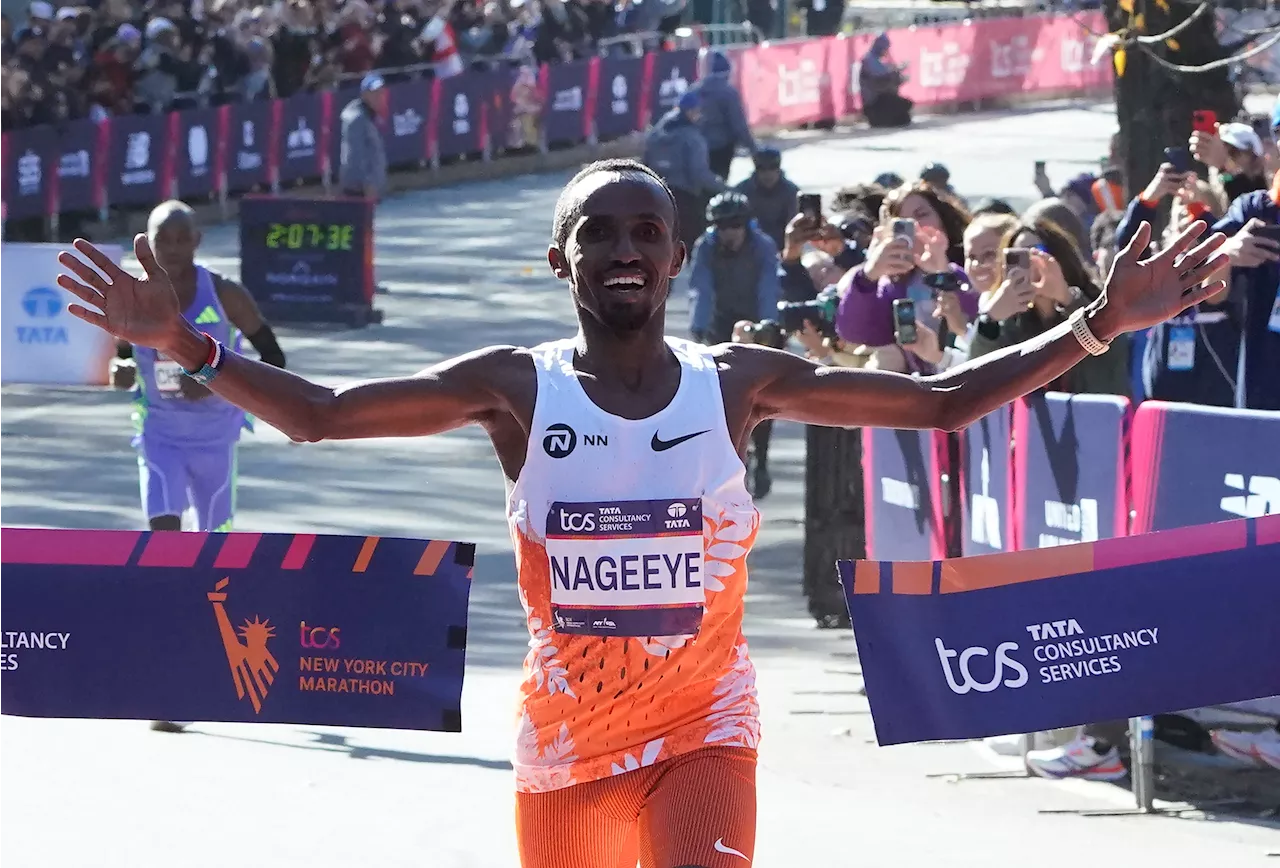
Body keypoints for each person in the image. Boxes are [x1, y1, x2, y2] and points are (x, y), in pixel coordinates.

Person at [58, 158, 1226, 868]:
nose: (624, 249)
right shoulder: (517, 387)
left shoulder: (738, 380)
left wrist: (1093, 329)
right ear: (558, 258)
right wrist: (185, 344)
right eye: (599, 233)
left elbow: (936, 403)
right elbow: (316, 414)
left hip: (704, 728)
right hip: (564, 740)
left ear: (672, 258)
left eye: (643, 231)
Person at [105, 200, 286, 735]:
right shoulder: (135, 295)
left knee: (214, 561)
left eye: (184, 239)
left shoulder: (224, 293)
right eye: (165, 239)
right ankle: (166, 682)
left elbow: (273, 358)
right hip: (159, 440)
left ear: (199, 241)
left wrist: (214, 373)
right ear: (150, 242)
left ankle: (209, 668)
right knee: (166, 551)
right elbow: (118, 355)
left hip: (215, 444)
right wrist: (119, 372)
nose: (175, 249)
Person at [688, 191, 781, 498]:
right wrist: (698, 327)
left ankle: (762, 459)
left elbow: (769, 285)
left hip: (758, 321)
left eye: (735, 226)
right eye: (722, 226)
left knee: (764, 397)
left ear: (745, 225)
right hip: (721, 323)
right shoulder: (707, 246)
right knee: (720, 397)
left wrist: (768, 324)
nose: (729, 233)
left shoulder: (762, 246)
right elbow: (701, 287)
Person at [644, 91, 725, 255]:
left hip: (656, 197)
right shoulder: (693, 138)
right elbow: (700, 175)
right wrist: (725, 188)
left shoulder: (655, 135)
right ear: (691, 112)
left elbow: (645, 164)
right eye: (698, 111)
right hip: (685, 200)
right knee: (696, 246)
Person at [689, 50, 755, 180]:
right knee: (719, 184)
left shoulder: (693, 91)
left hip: (696, 148)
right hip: (721, 148)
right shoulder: (728, 92)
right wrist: (753, 149)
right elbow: (738, 125)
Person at [733, 147, 797, 252]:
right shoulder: (742, 191)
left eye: (772, 168)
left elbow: (793, 223)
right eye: (762, 169)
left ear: (778, 169)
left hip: (782, 245)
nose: (768, 174)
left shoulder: (791, 191)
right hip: (749, 246)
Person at [340, 73, 389, 201]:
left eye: (381, 93)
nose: (379, 97)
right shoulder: (357, 119)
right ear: (364, 95)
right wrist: (366, 185)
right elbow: (354, 155)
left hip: (368, 190)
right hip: (360, 192)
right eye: (374, 93)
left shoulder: (370, 116)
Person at [859, 32, 911, 128]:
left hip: (881, 99)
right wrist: (897, 70)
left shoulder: (878, 61)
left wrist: (899, 78)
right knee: (900, 106)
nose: (886, 51)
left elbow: (888, 74)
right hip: (873, 103)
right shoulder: (869, 60)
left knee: (905, 107)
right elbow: (880, 76)